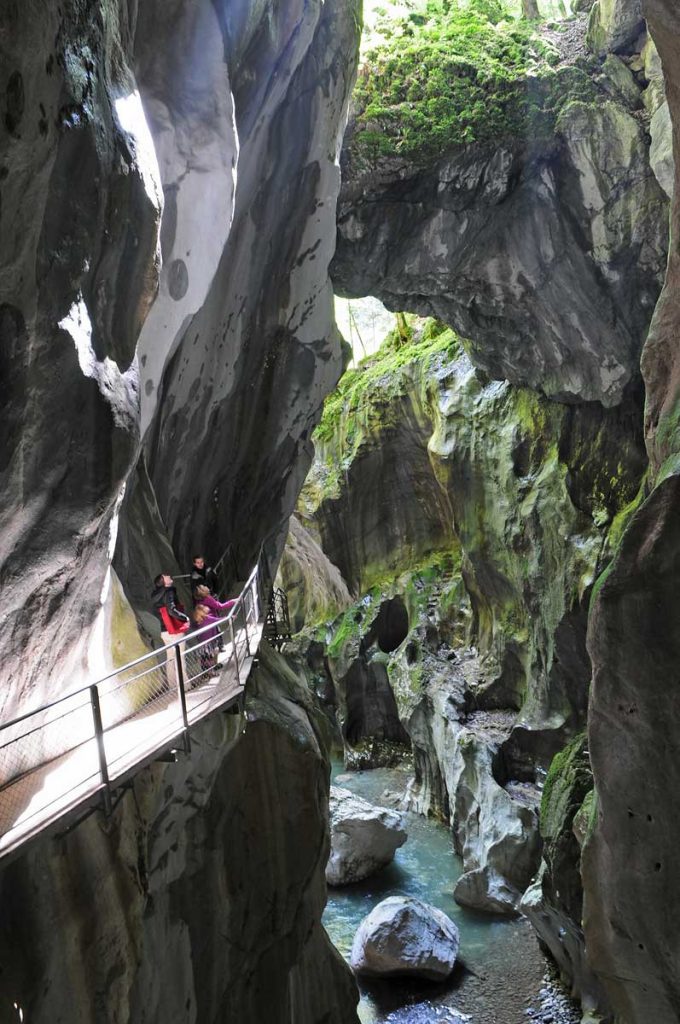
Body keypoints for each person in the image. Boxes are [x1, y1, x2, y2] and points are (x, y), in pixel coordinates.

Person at [151, 573, 190, 690]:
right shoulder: (169, 592)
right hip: (174, 630)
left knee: (170, 658)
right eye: (166, 577)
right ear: (163, 582)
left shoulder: (154, 595)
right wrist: (185, 618)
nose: (169, 576)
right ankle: (184, 686)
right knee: (180, 657)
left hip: (164, 631)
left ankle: (173, 685)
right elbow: (171, 610)